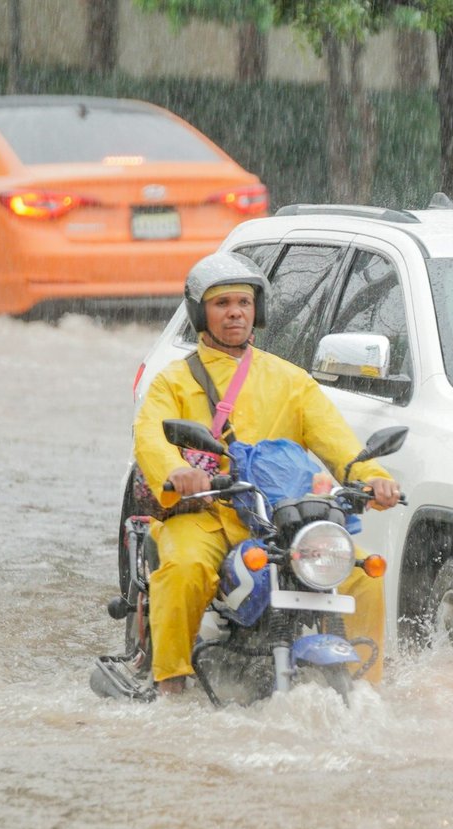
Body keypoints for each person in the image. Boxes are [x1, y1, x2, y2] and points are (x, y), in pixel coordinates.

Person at [134, 252, 402, 696]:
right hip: (207, 514)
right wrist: (178, 471)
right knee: (183, 569)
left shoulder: (291, 380)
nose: (235, 312)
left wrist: (373, 477)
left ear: (256, 310)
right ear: (200, 313)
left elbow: (338, 442)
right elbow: (149, 437)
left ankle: (365, 693)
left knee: (360, 573)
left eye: (243, 302)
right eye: (222, 304)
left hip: (279, 522)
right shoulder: (174, 381)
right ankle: (171, 686)